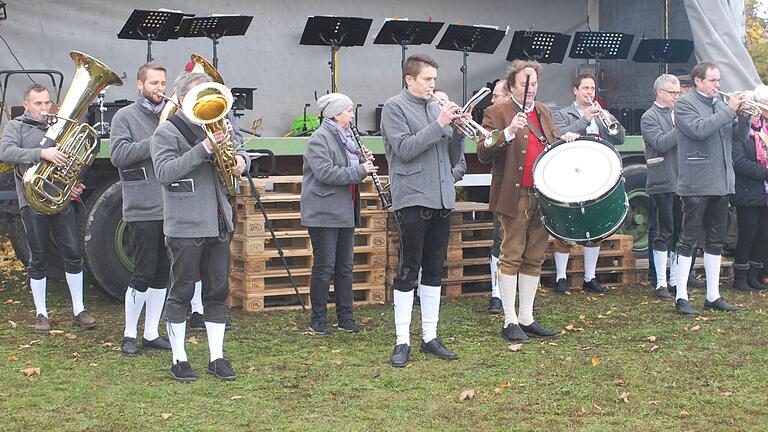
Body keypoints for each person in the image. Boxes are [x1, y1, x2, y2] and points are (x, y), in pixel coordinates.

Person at [150, 72, 250, 381]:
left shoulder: (218, 126)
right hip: (185, 224)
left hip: (218, 220)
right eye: (198, 97)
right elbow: (165, 172)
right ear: (181, 100)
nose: (205, 103)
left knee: (217, 291)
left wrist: (241, 160)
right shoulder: (166, 132)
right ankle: (179, 358)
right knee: (181, 292)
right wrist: (204, 148)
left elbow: (239, 152)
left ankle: (216, 357)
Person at [477, 60, 577, 344]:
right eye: (524, 84)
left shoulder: (543, 111)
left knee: (534, 256)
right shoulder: (496, 112)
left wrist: (564, 141)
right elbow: (484, 153)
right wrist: (507, 132)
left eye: (533, 84)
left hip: (542, 194)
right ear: (512, 86)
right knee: (511, 254)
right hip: (514, 194)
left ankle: (526, 317)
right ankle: (509, 319)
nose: (530, 89)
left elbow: (548, 146)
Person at [381, 54, 464, 367]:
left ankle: (430, 335)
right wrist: (440, 123)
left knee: (433, 267)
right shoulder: (394, 107)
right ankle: (402, 340)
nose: (433, 84)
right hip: (413, 197)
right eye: (427, 79)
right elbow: (404, 149)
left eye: (434, 78)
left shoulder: (435, 107)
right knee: (408, 267)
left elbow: (451, 154)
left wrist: (456, 131)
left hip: (441, 198)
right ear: (409, 79)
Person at [0, 84, 96, 333]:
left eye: (47, 103)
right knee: (38, 257)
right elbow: (5, 152)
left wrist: (74, 183)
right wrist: (42, 153)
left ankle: (79, 309)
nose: (44, 108)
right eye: (38, 104)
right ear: (27, 105)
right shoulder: (16, 126)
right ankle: (41, 313)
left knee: (73, 253)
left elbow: (74, 160)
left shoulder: (59, 126)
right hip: (31, 201)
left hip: (59, 198)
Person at [672, 62, 749, 315]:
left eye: (719, 80)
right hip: (696, 183)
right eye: (713, 80)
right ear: (698, 81)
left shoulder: (719, 104)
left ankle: (713, 295)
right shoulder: (685, 104)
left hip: (721, 182)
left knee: (716, 241)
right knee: (688, 239)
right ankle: (681, 296)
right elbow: (698, 129)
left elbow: (736, 138)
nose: (718, 84)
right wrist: (729, 111)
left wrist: (744, 119)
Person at [300, 92, 377, 334]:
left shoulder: (346, 140)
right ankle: (318, 320)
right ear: (335, 114)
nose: (352, 115)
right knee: (324, 266)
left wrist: (361, 161)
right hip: (324, 212)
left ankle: (346, 317)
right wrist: (361, 170)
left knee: (345, 267)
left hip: (344, 210)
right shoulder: (319, 139)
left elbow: (346, 167)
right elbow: (326, 173)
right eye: (348, 111)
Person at [109, 63, 173, 355]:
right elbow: (119, 155)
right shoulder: (125, 116)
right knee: (143, 272)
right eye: (153, 84)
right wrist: (156, 139)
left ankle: (151, 332)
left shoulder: (171, 115)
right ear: (139, 85)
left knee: (163, 273)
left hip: (170, 205)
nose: (159, 89)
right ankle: (128, 334)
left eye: (162, 83)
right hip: (142, 206)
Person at [552, 74, 625, 295]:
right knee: (567, 222)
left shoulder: (602, 114)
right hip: (573, 172)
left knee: (595, 224)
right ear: (575, 90)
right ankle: (561, 277)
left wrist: (610, 120)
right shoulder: (562, 113)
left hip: (598, 174)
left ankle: (589, 277)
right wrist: (584, 118)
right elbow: (558, 134)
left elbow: (619, 138)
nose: (589, 92)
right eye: (585, 88)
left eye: (592, 88)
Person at [641, 74, 682, 300]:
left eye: (678, 93)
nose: (676, 97)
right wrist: (681, 125)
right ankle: (660, 282)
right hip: (662, 181)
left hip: (682, 181)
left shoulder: (678, 114)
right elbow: (660, 143)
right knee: (664, 231)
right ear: (659, 93)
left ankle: (676, 279)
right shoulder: (650, 116)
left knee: (679, 232)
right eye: (672, 93)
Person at [730, 86, 768, 292]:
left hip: (763, 191)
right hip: (747, 189)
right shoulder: (740, 130)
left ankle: (754, 276)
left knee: (763, 235)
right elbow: (738, 161)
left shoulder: (765, 129)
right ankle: (740, 279)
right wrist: (765, 173)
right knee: (748, 234)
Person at [486, 79, 512, 313]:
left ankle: (520, 292)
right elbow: (485, 150)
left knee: (521, 243)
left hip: (525, 188)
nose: (493, 101)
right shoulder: (493, 117)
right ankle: (496, 293)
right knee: (499, 241)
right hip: (503, 186)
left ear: (508, 95)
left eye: (496, 96)